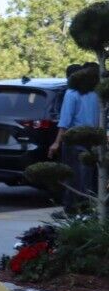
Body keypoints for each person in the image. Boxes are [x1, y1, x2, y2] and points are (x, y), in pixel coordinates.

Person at [48, 65, 101, 211]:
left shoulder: (71, 93)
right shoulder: (97, 93)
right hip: (93, 139)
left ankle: (72, 208)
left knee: (72, 175)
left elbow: (65, 121)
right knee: (89, 175)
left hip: (74, 140)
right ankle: (90, 207)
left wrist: (56, 142)